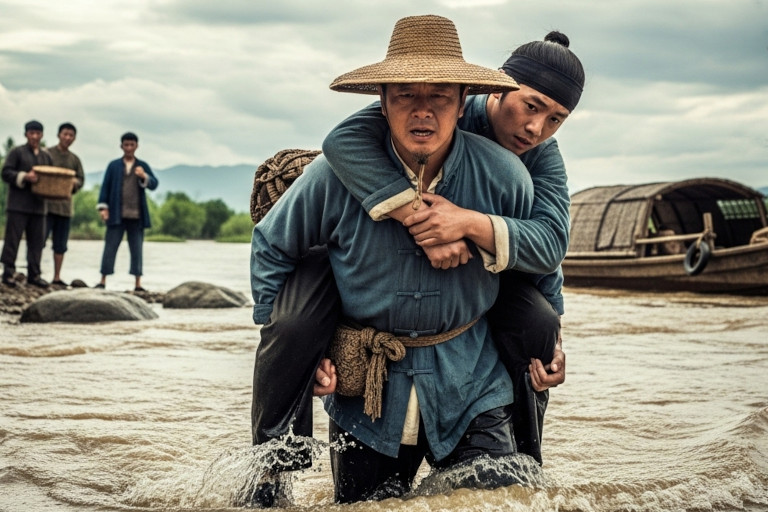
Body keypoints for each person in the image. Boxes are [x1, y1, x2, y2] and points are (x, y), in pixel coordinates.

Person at [250, 29, 586, 489]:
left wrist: (468, 225)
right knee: (292, 328)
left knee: (539, 328)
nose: (536, 128)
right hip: (370, 385)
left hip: (469, 373)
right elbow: (274, 241)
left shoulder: (519, 170)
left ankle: (531, 459)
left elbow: (547, 250)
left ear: (462, 97)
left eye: (554, 119)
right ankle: (271, 468)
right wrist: (413, 214)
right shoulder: (342, 166)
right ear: (383, 102)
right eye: (406, 94)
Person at [96, 132, 158, 291]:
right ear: (121, 146)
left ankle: (138, 283)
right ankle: (103, 280)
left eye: (132, 145)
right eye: (126, 145)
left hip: (137, 215)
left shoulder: (141, 166)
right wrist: (103, 208)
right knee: (110, 247)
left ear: (137, 146)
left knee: (137, 249)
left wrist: (144, 176)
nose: (129, 148)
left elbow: (154, 184)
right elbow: (105, 187)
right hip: (116, 214)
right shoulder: (114, 166)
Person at [1, 120, 53, 288]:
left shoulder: (46, 157)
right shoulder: (17, 152)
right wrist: (24, 177)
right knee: (12, 240)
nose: (35, 136)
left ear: (42, 135)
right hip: (18, 205)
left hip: (39, 206)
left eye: (38, 133)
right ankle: (8, 272)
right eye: (32, 133)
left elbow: (52, 178)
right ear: (26, 134)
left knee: (37, 242)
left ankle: (34, 274)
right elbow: (5, 172)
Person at [45, 122, 85, 286]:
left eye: (71, 135)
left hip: (65, 208)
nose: (67, 138)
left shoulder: (74, 159)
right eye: (65, 134)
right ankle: (34, 273)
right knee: (38, 241)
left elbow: (81, 180)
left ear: (74, 138)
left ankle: (56, 276)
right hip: (46, 206)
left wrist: (75, 182)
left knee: (60, 245)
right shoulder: (47, 154)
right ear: (58, 135)